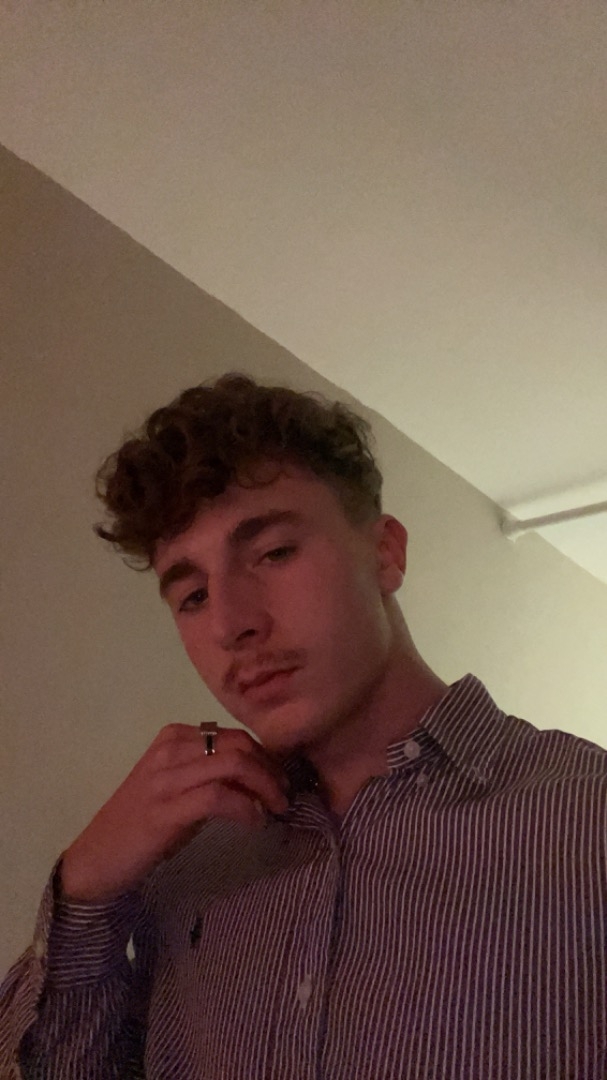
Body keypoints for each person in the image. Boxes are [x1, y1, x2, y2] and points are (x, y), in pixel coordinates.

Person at [1, 373, 606, 1080]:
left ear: (386, 553)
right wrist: (85, 887)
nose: (231, 624)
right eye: (192, 595)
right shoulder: (186, 863)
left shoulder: (584, 821)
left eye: (274, 553)